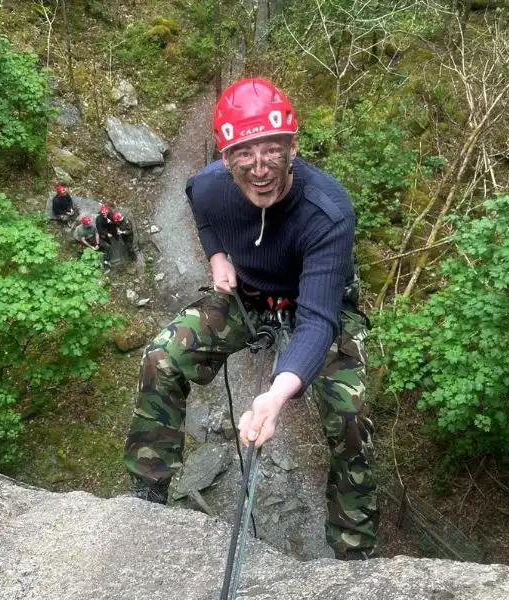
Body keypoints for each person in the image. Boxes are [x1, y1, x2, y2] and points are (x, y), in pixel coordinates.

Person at [122, 78, 378, 560]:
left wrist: (277, 394)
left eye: (272, 152)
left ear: (293, 148)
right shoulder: (210, 187)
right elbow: (199, 207)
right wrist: (217, 256)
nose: (259, 170)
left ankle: (354, 547)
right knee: (162, 357)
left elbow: (319, 321)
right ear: (226, 157)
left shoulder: (328, 212)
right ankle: (146, 494)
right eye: (245, 155)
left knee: (349, 414)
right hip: (249, 296)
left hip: (317, 303)